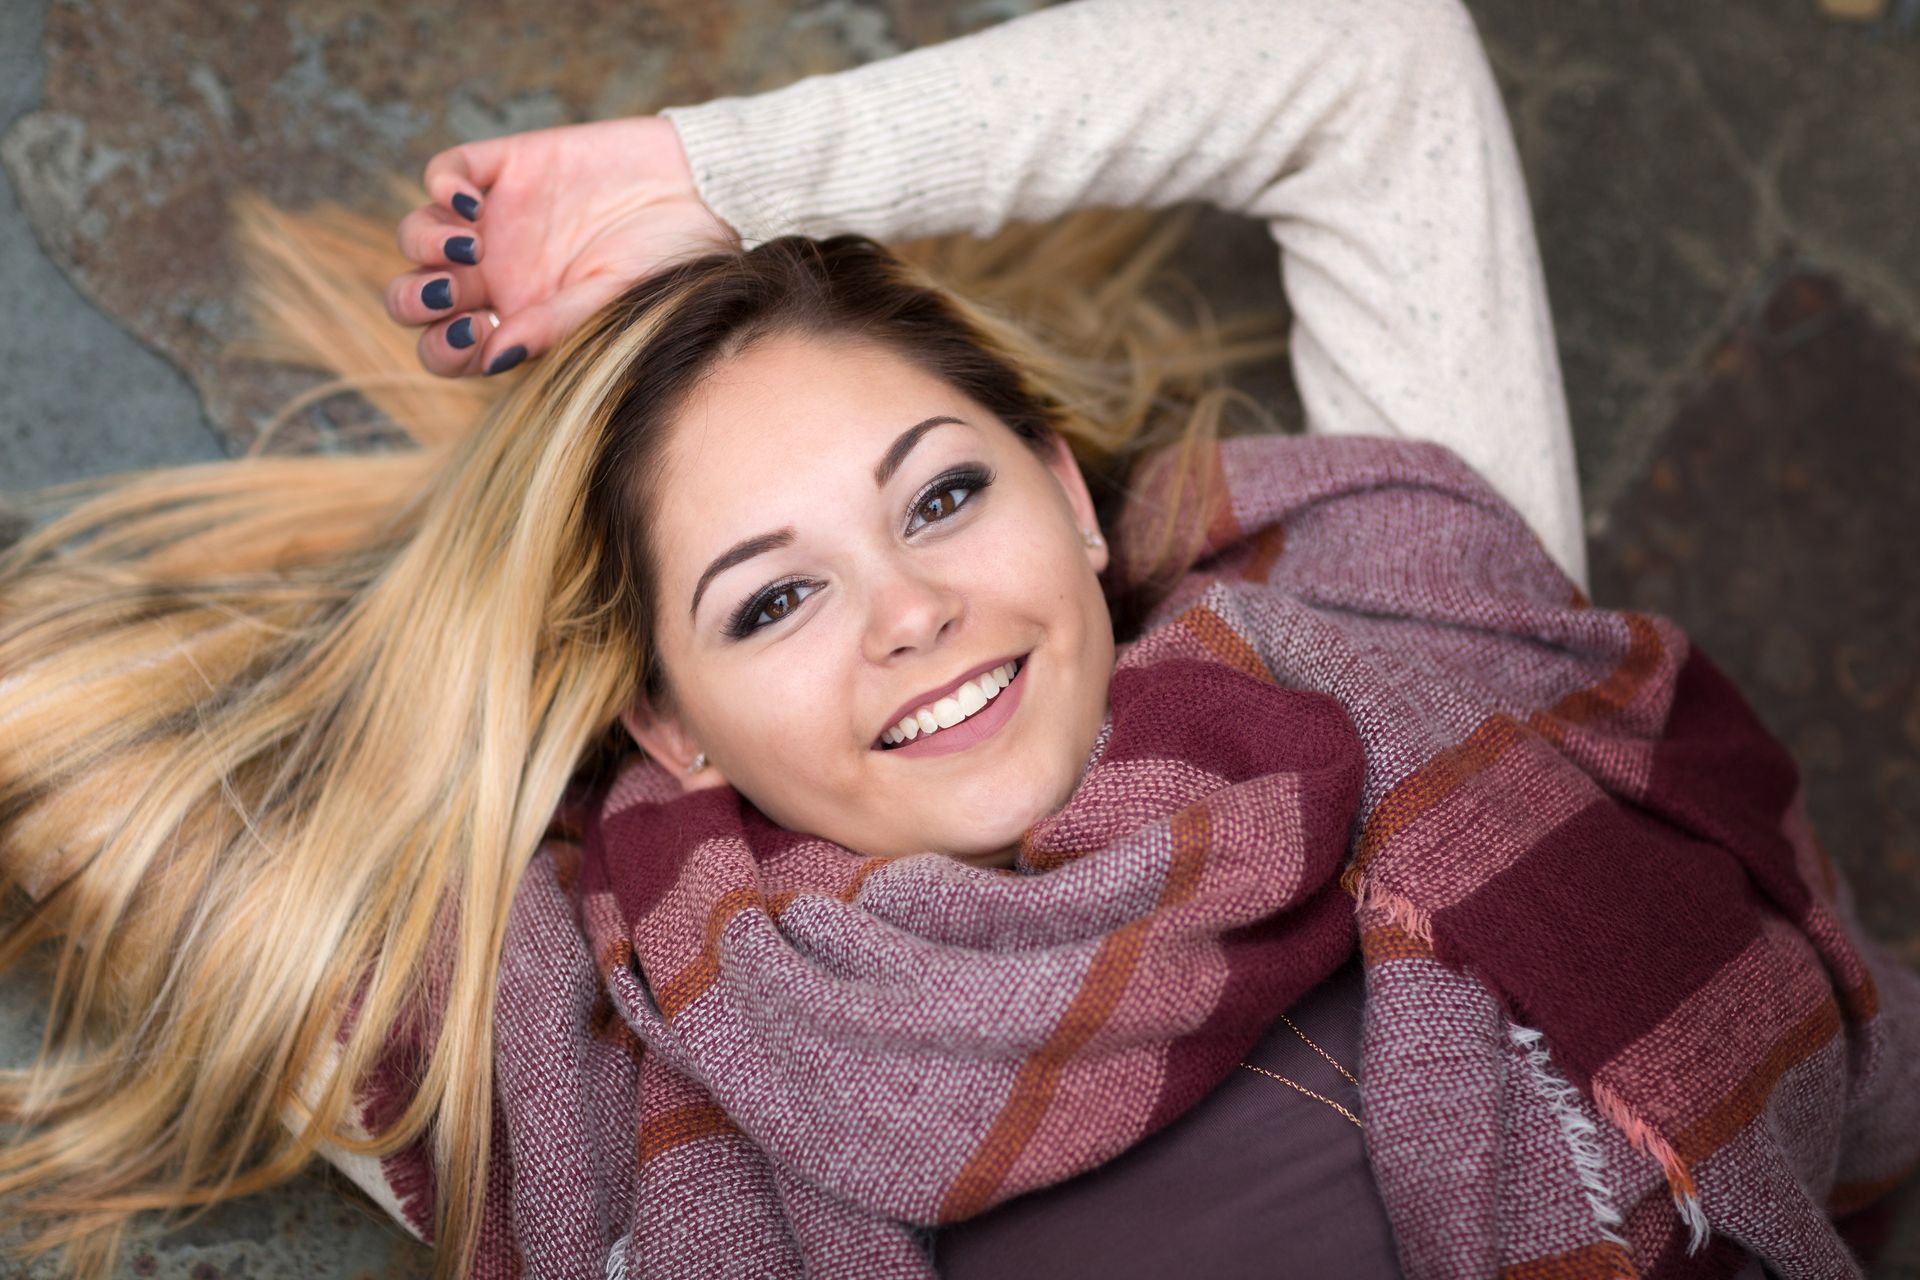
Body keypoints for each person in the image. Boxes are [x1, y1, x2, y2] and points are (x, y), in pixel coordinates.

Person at [1, 2, 1915, 1279]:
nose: (909, 608)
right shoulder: (590, 1076)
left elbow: (1367, 56)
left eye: (939, 496)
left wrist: (707, 185)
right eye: (771, 598)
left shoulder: (1419, 622)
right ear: (671, 729)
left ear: (1072, 504)